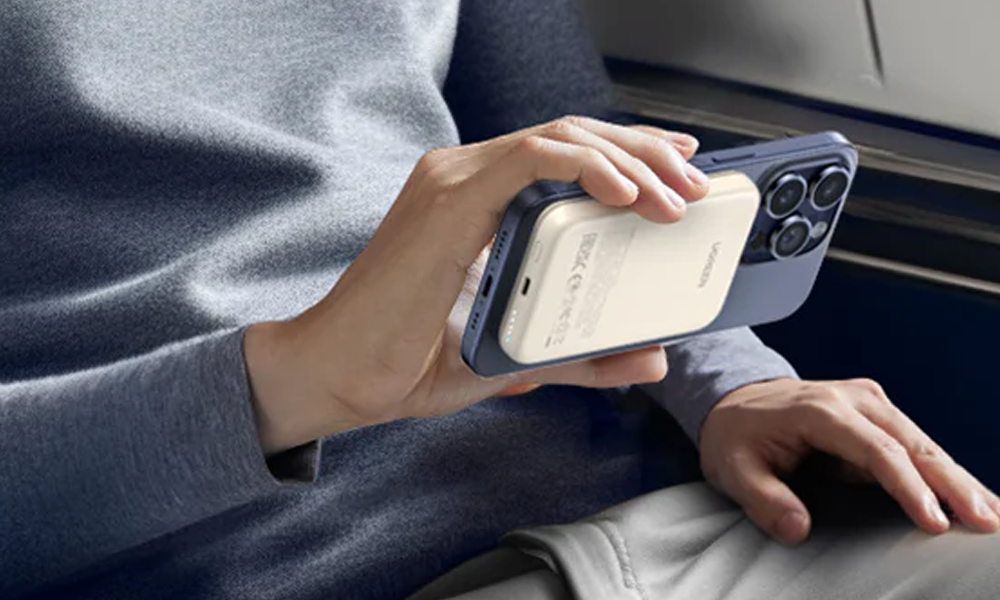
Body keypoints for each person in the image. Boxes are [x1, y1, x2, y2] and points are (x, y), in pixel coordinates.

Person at [1, 1, 997, 599]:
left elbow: (581, 155)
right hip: (316, 570)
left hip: (688, 514)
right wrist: (291, 382)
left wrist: (732, 385)